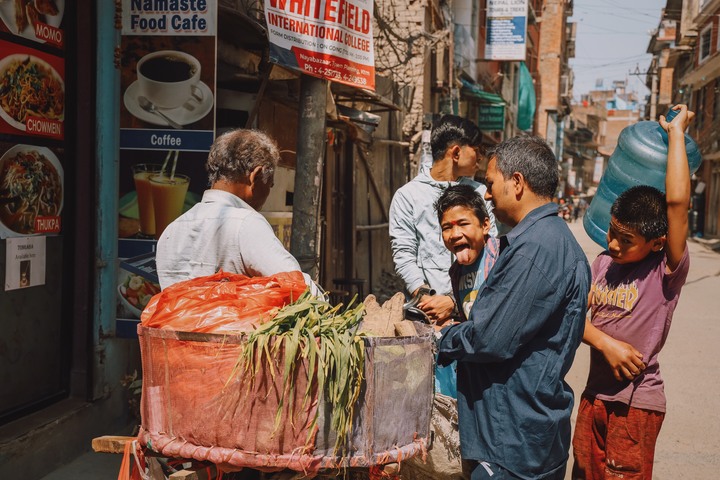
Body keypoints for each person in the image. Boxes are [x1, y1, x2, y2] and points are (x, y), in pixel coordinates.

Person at [437, 135, 591, 479]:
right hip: (520, 434)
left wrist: (442, 339)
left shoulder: (536, 248)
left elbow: (489, 338)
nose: (487, 195)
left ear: (517, 182)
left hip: (511, 441)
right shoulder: (543, 240)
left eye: (491, 184)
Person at [571, 105, 695, 479]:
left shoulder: (665, 270)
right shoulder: (601, 265)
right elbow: (570, 316)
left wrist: (676, 134)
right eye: (612, 232)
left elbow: (677, 204)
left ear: (657, 243)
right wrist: (606, 344)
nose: (613, 245)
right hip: (594, 396)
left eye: (627, 240)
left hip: (637, 403)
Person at [156, 129, 317, 293]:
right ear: (256, 176)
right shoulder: (246, 224)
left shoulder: (172, 230)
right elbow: (302, 290)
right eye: (270, 185)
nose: (268, 193)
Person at [389, 114, 497, 326]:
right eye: (477, 151)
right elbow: (404, 254)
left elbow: (491, 251)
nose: (480, 159)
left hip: (477, 308)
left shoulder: (482, 194)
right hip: (426, 314)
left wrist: (453, 302)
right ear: (456, 152)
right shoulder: (408, 196)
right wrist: (426, 299)